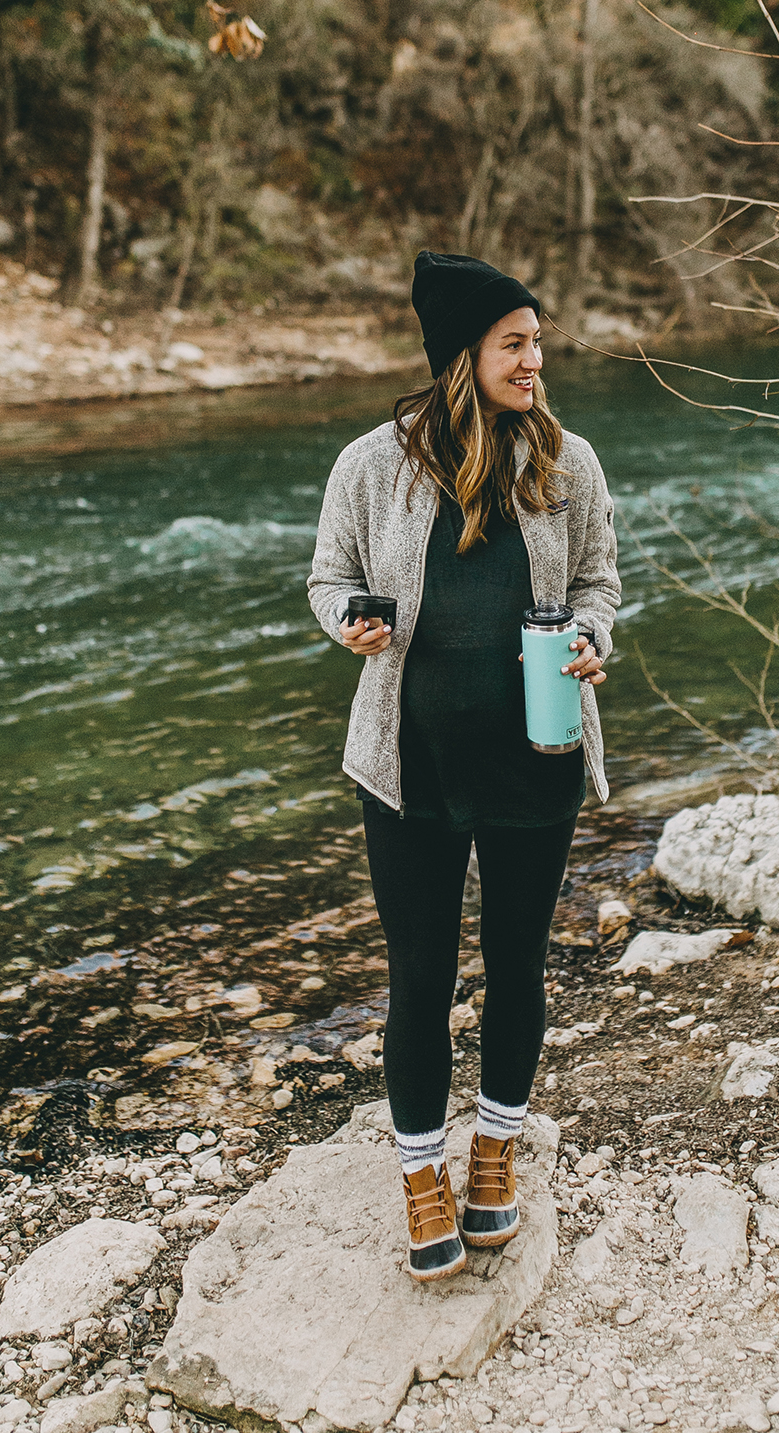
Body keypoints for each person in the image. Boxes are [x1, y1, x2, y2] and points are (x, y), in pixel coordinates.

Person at [308, 251, 620, 1281]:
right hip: (410, 764)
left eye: (538, 342)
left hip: (540, 754)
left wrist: (589, 640)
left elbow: (600, 584)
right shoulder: (370, 464)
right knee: (420, 977)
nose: (536, 359)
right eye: (514, 344)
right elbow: (330, 576)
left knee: (520, 962)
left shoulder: (566, 459)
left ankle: (495, 1149)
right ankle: (419, 1171)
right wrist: (350, 621)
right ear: (463, 356)